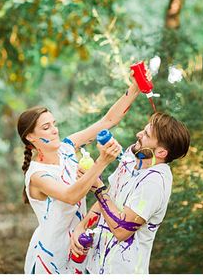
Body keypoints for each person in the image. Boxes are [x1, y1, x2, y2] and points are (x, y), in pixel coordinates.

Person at [17, 71, 147, 274]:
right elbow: (71, 196)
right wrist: (102, 161)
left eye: (54, 124)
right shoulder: (37, 175)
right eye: (46, 127)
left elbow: (107, 121)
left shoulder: (67, 148)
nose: (54, 130)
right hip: (51, 255)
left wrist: (135, 88)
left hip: (81, 245)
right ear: (31, 138)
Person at [70, 112, 190, 274]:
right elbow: (109, 198)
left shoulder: (154, 183)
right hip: (94, 268)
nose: (138, 134)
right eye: (144, 130)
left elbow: (121, 230)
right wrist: (81, 227)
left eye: (146, 134)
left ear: (161, 153)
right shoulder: (132, 156)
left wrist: (97, 188)